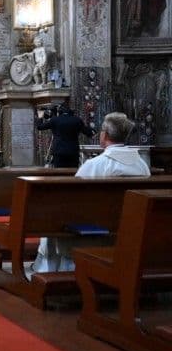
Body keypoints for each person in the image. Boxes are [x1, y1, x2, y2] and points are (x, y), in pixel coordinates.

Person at [33, 112, 150, 272]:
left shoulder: (95, 165)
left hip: (94, 232)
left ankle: (50, 272)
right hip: (130, 230)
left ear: (106, 135)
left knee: (53, 223)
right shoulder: (142, 165)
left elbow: (73, 199)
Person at [36, 103, 95, 168]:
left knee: (59, 173)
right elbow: (89, 133)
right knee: (72, 173)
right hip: (73, 152)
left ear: (60, 111)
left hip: (58, 152)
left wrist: (40, 117)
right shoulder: (77, 120)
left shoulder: (55, 120)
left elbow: (40, 127)